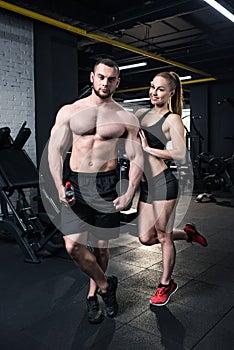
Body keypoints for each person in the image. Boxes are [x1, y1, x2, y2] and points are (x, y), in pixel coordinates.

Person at [48, 58, 143, 323]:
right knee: (73, 246)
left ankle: (92, 296)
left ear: (117, 82)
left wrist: (130, 191)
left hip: (106, 185)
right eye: (101, 77)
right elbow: (55, 151)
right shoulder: (70, 111)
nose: (105, 83)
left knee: (101, 250)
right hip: (76, 182)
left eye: (111, 79)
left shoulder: (126, 117)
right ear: (92, 77)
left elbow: (137, 156)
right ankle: (105, 285)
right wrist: (57, 185)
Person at [136, 71, 207, 307]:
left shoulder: (172, 119)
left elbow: (179, 154)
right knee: (146, 238)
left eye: (160, 89)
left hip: (164, 183)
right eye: (152, 87)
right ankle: (187, 233)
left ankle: (166, 284)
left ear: (171, 93)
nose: (154, 92)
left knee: (164, 236)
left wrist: (150, 150)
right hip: (147, 186)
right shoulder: (143, 115)